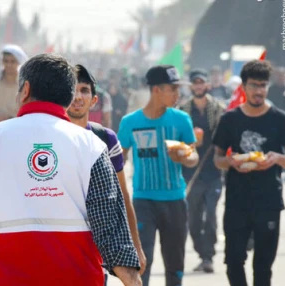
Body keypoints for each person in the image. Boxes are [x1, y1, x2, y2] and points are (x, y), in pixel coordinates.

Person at [0, 54, 141, 286]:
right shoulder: (93, 147)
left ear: (25, 90)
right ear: (68, 98)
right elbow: (111, 228)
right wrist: (134, 282)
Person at [213, 60, 285, 286]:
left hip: (268, 201)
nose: (259, 91)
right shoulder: (229, 119)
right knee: (233, 261)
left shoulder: (280, 120)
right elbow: (218, 159)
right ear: (243, 87)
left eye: (263, 85)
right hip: (237, 202)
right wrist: (231, 162)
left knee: (263, 265)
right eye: (253, 85)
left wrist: (277, 159)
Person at [118, 65, 199, 286]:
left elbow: (194, 156)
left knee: (175, 264)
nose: (177, 94)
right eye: (172, 89)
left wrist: (184, 157)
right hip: (143, 202)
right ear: (156, 90)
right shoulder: (130, 123)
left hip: (174, 199)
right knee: (142, 262)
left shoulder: (182, 120)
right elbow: (118, 159)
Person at [67, 64, 147, 276]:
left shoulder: (106, 138)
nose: (78, 96)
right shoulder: (48, 140)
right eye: (72, 90)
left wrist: (135, 247)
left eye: (84, 90)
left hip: (97, 248)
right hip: (59, 244)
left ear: (94, 101)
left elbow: (122, 194)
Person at [178, 69, 225, 273]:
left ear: (207, 85)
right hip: (191, 173)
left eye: (201, 83)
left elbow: (226, 135)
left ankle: (208, 257)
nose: (198, 86)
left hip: (213, 171)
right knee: (194, 219)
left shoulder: (218, 109)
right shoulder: (182, 110)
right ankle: (200, 251)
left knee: (211, 216)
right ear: (191, 86)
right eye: (194, 83)